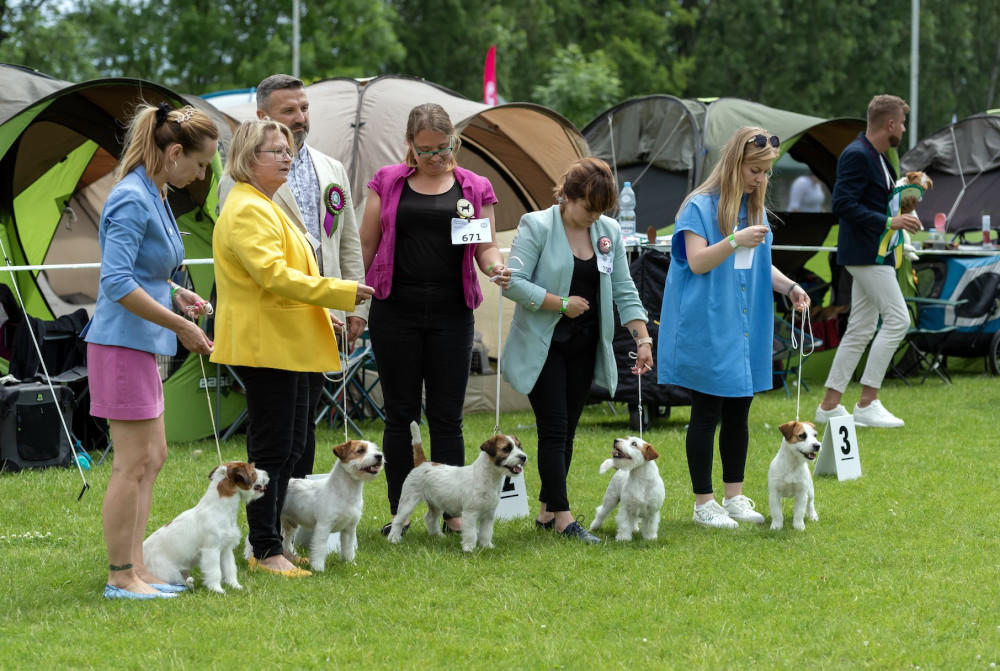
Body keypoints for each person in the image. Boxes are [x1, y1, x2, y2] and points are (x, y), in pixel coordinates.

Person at [211, 119, 373, 577]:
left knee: (294, 445)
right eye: (275, 151)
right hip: (270, 346)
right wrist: (341, 292)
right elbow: (274, 276)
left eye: (288, 149)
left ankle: (273, 541)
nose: (287, 156)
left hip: (294, 345)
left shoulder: (265, 203)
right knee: (274, 448)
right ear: (247, 159)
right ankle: (264, 548)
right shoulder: (246, 207)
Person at [83, 102, 217, 600]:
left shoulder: (157, 190)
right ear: (175, 151)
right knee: (131, 463)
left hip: (141, 342)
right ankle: (120, 575)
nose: (202, 175)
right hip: (121, 343)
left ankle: (138, 567)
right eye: (200, 164)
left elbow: (145, 272)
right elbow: (116, 281)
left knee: (154, 456)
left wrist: (174, 292)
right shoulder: (131, 198)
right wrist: (181, 324)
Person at [359, 103, 508, 535]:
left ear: (453, 141)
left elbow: (486, 246)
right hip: (394, 310)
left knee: (447, 417)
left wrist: (497, 266)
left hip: (452, 312)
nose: (435, 157)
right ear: (409, 144)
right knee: (400, 414)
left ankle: (454, 513)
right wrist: (350, 303)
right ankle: (399, 512)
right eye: (425, 150)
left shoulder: (475, 186)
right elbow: (366, 244)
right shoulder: (387, 182)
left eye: (443, 148)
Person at [657, 127, 810, 529]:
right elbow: (697, 261)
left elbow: (759, 265)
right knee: (707, 411)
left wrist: (790, 287)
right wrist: (735, 239)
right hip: (709, 322)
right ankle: (703, 503)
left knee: (740, 412)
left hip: (745, 323)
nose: (761, 179)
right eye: (755, 170)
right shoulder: (698, 207)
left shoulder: (754, 210)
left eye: (766, 172)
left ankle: (735, 497)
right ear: (734, 164)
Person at [218, 74, 365, 479]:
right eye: (289, 111)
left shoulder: (330, 166)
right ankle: (269, 534)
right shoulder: (238, 182)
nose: (300, 118)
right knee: (277, 437)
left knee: (302, 432)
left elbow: (346, 241)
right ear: (263, 116)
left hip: (323, 314)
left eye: (304, 108)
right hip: (275, 325)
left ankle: (293, 521)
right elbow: (253, 265)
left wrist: (356, 305)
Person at [502, 157, 653, 544]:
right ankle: (565, 520)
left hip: (585, 346)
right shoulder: (536, 225)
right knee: (553, 430)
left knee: (567, 432)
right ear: (568, 196)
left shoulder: (609, 231)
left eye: (602, 209)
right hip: (543, 344)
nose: (594, 216)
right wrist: (559, 302)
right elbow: (512, 283)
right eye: (589, 207)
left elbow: (624, 288)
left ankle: (546, 511)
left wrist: (642, 337)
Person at [815, 95, 921, 429]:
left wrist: (902, 209)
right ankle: (867, 400)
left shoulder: (878, 157)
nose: (903, 129)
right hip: (866, 254)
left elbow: (876, 202)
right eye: (902, 123)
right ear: (890, 124)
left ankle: (830, 406)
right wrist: (889, 223)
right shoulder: (857, 154)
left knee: (860, 328)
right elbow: (842, 204)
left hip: (877, 254)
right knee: (898, 320)